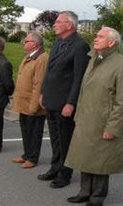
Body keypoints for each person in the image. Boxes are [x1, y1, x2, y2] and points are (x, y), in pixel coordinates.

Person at [65, 27, 123, 206]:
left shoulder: (121, 64)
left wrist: (112, 127)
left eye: (100, 36)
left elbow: (122, 100)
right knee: (85, 157)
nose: (95, 38)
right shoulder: (94, 58)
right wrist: (78, 114)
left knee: (101, 161)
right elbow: (84, 90)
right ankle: (84, 192)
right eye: (96, 36)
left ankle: (97, 198)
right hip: (86, 119)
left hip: (103, 121)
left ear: (111, 42)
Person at [38, 11, 90, 189]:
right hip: (51, 99)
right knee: (55, 138)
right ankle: (55, 167)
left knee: (65, 139)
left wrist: (71, 103)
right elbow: (50, 71)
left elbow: (79, 77)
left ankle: (65, 174)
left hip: (64, 103)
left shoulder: (80, 46)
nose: (55, 25)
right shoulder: (57, 43)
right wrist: (43, 92)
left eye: (58, 22)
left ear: (69, 25)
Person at [11, 31, 48, 169]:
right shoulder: (28, 57)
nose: (24, 43)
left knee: (34, 132)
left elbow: (39, 83)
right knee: (25, 130)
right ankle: (27, 154)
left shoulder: (42, 58)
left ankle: (33, 157)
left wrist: (34, 106)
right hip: (23, 102)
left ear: (35, 44)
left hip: (33, 103)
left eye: (26, 41)